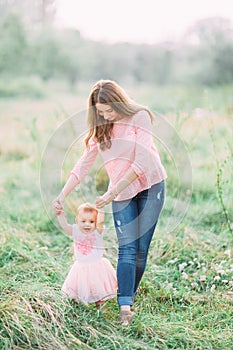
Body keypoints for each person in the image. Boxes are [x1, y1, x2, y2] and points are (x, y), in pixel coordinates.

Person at [53, 79, 167, 325]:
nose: (106, 116)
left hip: (151, 187)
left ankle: (129, 294)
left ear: (120, 102)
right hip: (120, 194)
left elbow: (143, 161)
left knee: (140, 251)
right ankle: (125, 306)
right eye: (101, 112)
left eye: (109, 110)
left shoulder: (140, 116)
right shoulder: (102, 126)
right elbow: (84, 162)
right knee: (127, 247)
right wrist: (63, 194)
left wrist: (112, 191)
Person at [56, 202, 117, 310]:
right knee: (77, 289)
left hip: (97, 267)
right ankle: (75, 308)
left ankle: (100, 309)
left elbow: (101, 221)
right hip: (81, 267)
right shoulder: (75, 231)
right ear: (77, 221)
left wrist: (101, 209)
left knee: (99, 290)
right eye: (83, 221)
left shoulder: (97, 231)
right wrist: (60, 215)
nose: (87, 224)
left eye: (91, 221)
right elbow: (65, 226)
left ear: (96, 222)